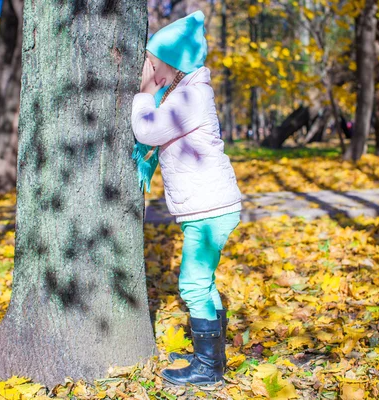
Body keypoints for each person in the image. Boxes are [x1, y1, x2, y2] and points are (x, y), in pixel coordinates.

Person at [131, 10, 242, 386]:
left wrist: (145, 92)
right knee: (204, 284)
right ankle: (210, 354)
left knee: (193, 286)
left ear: (176, 62)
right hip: (209, 206)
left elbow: (150, 130)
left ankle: (209, 369)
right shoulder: (185, 92)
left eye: (154, 64)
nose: (150, 70)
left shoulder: (191, 96)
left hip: (210, 209)